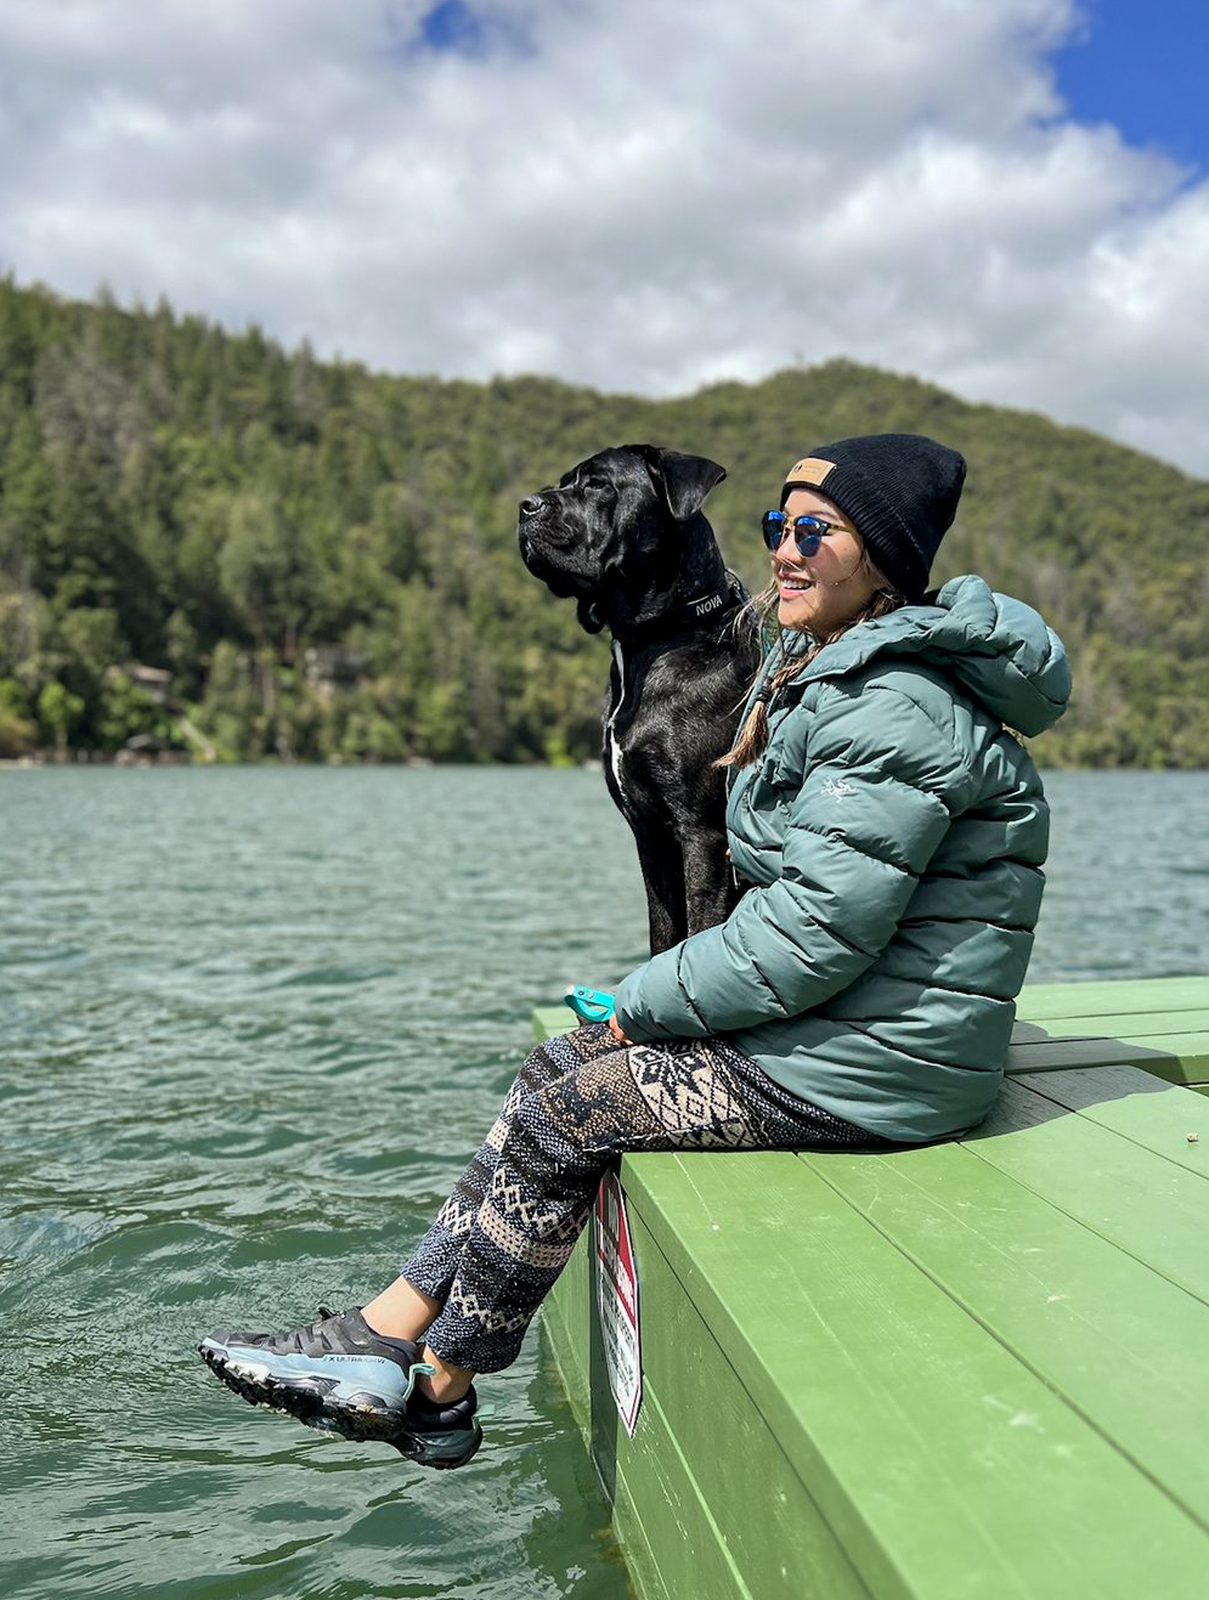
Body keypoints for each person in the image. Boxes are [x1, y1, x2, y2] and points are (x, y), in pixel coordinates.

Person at [198, 433, 1071, 1470]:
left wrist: (639, 1002)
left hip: (880, 1067)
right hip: (847, 1029)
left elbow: (810, 939)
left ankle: (438, 1386)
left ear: (884, 558)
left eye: (814, 533)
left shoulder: (898, 705)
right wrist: (636, 1012)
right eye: (775, 528)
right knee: (552, 1071)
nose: (783, 553)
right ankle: (387, 1328)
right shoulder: (833, 671)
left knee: (578, 1107)